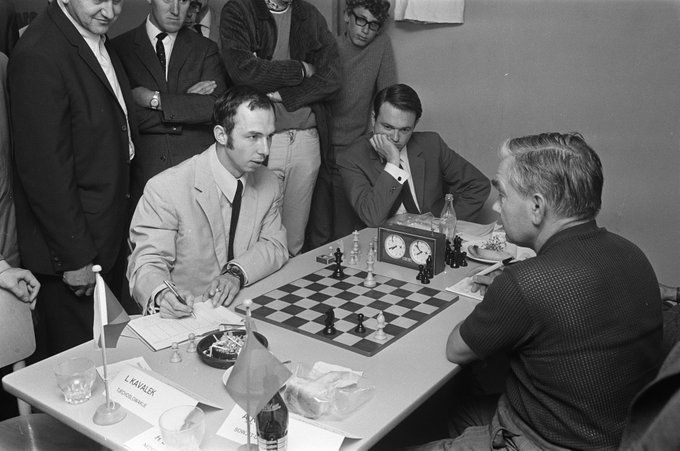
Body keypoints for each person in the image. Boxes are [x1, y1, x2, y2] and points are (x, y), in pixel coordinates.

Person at [428, 133, 663, 449]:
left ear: (537, 206)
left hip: (545, 441)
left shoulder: (525, 283)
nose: (496, 206)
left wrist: (507, 295)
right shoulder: (633, 253)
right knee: (462, 412)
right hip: (619, 435)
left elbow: (456, 349)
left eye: (503, 194)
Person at [8, 0, 136, 358]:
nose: (110, 11)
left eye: (117, 0)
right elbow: (44, 171)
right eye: (98, 0)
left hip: (105, 240)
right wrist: (76, 258)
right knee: (80, 371)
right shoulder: (39, 53)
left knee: (110, 359)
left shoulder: (92, 34)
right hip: (75, 257)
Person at [127, 86, 288, 318]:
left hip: (244, 308)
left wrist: (236, 274)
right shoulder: (166, 188)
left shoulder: (269, 181)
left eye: (269, 136)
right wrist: (162, 294)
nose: (265, 150)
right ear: (221, 135)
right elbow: (147, 262)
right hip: (185, 315)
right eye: (253, 137)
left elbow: (274, 244)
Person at [219, 0, 341, 256]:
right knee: (251, 240)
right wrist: (301, 69)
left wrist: (286, 94)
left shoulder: (309, 14)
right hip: (262, 141)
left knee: (293, 242)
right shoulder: (240, 10)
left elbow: (332, 77)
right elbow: (244, 73)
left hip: (307, 139)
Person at [112, 0, 229, 206]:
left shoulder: (206, 49)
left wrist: (154, 99)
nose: (175, 10)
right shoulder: (118, 48)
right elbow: (124, 118)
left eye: (183, 1)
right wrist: (187, 103)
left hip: (196, 180)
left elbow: (214, 108)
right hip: (143, 180)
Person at [337, 84, 490, 228]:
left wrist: (445, 225)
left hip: (431, 237)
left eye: (405, 130)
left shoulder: (432, 144)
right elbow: (372, 217)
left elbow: (478, 185)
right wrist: (393, 162)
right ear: (373, 119)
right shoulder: (352, 158)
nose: (395, 138)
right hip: (384, 241)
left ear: (415, 124)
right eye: (388, 127)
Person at [327, 0, 396, 240]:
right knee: (320, 226)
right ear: (347, 15)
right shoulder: (330, 46)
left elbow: (388, 98)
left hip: (356, 148)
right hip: (322, 146)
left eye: (373, 25)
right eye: (361, 20)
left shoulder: (381, 45)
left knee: (348, 228)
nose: (365, 30)